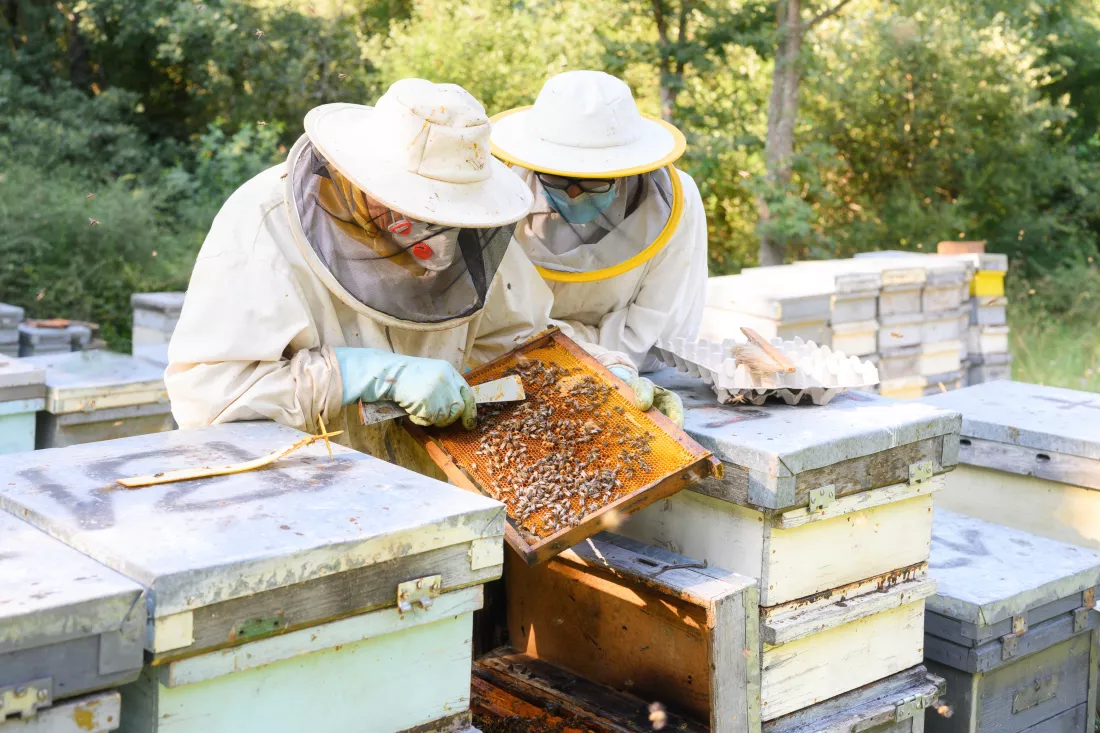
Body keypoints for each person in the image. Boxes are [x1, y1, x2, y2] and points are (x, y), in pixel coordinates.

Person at [165, 79, 557, 472]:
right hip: (303, 487)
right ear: (360, 174)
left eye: (443, 214)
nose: (430, 229)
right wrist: (357, 373)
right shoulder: (264, 222)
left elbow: (520, 343)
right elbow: (209, 400)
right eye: (415, 208)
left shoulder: (474, 225)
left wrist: (598, 368)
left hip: (433, 486)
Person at [490, 70, 710, 426]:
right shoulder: (501, 193)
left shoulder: (677, 202)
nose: (573, 193)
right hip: (518, 368)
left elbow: (657, 326)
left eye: (591, 181)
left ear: (624, 169)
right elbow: (500, 318)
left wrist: (599, 356)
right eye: (559, 178)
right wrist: (559, 345)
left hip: (632, 377)